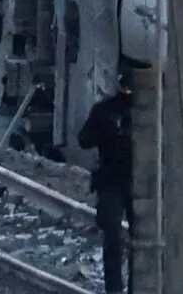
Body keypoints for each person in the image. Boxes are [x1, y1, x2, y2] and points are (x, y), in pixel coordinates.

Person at [78, 76, 133, 294]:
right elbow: (84, 139)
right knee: (112, 237)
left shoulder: (147, 111)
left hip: (138, 182)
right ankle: (115, 289)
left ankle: (138, 287)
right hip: (111, 180)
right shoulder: (104, 111)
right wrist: (107, 131)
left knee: (141, 241)